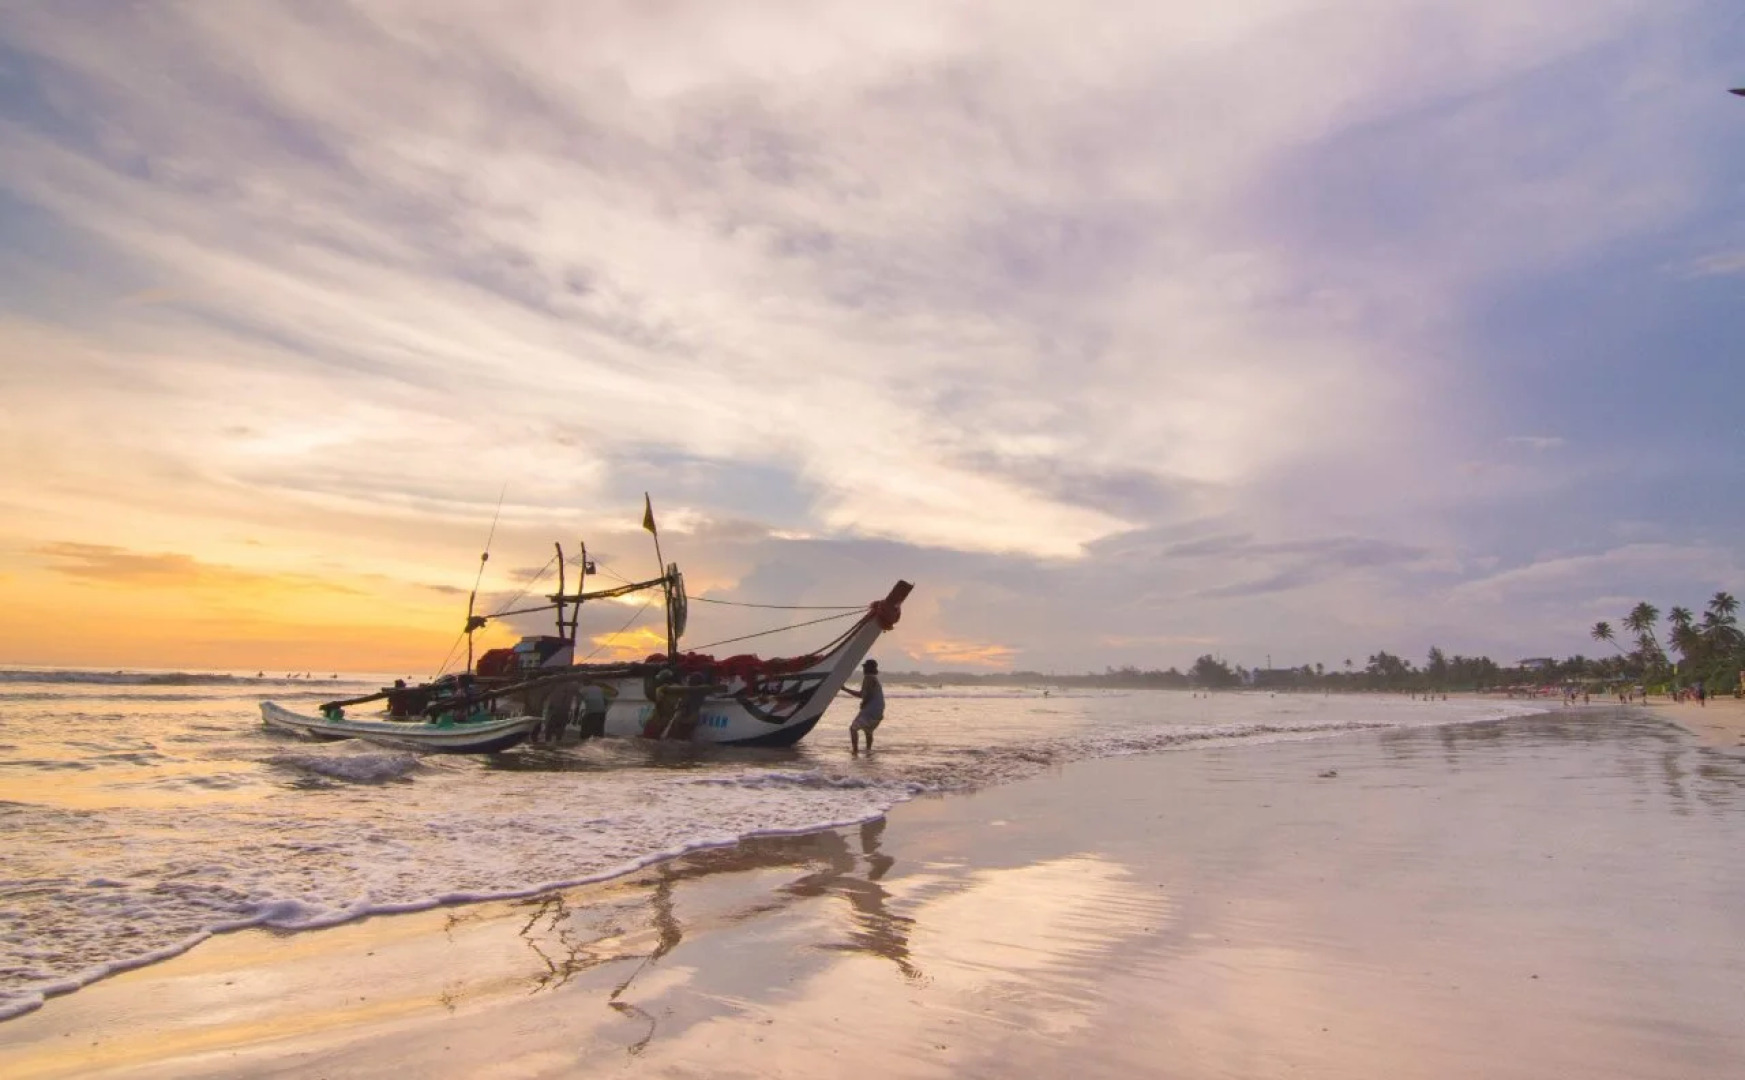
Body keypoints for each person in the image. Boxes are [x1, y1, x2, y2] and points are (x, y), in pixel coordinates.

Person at [842, 658, 885, 753]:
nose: (863, 669)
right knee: (868, 731)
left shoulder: (868, 677)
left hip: (871, 710)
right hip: (879, 711)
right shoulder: (875, 679)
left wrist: (845, 689)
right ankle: (868, 751)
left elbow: (862, 695)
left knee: (853, 728)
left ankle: (855, 751)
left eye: (865, 667)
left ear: (868, 668)